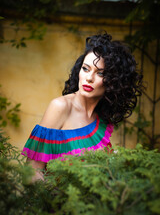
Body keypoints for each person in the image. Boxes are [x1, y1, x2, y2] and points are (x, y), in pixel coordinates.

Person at [21, 32, 143, 181]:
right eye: (85, 69)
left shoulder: (101, 119)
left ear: (113, 82)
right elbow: (32, 171)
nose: (89, 78)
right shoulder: (60, 107)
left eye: (100, 73)